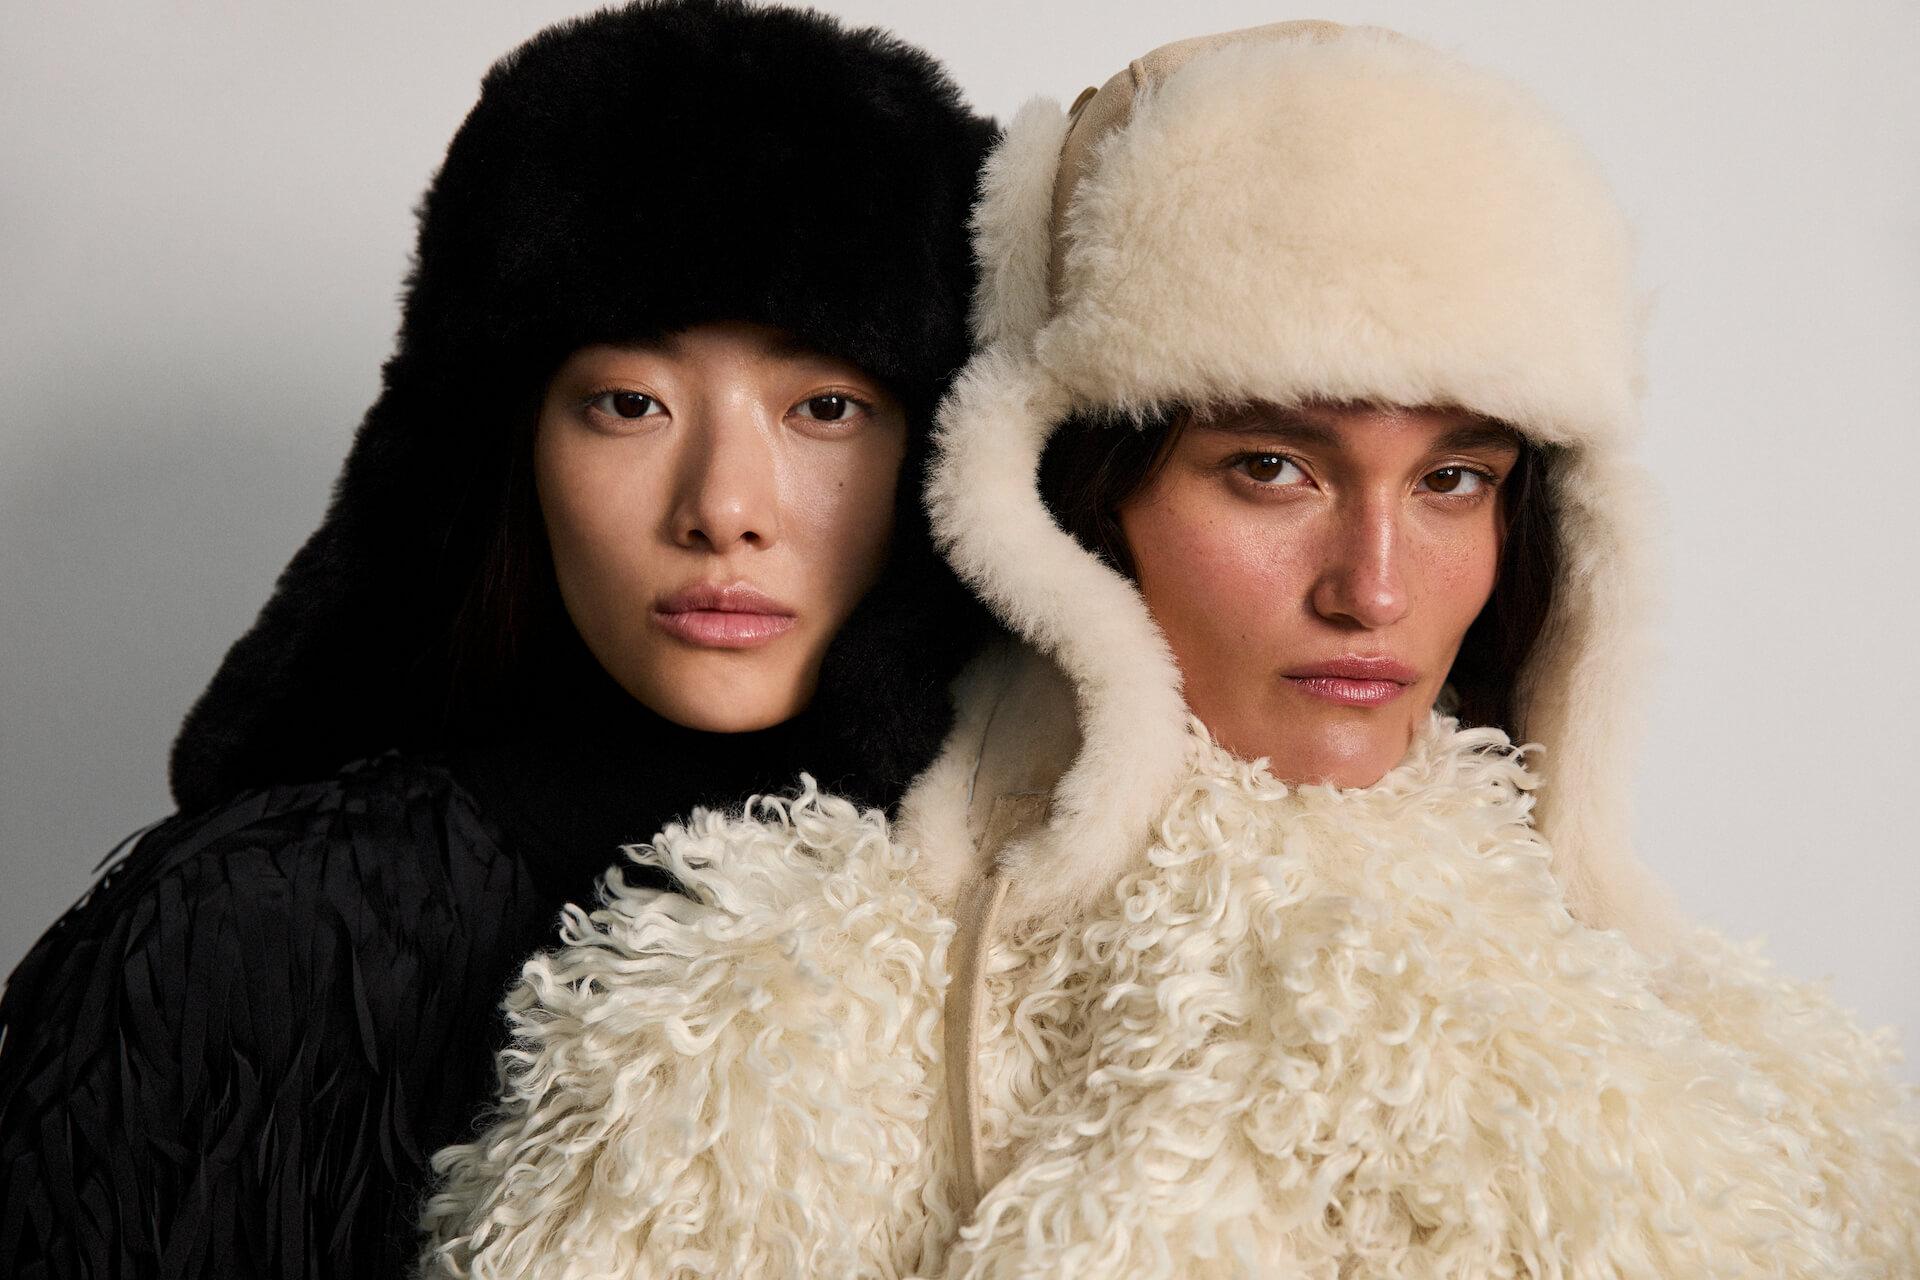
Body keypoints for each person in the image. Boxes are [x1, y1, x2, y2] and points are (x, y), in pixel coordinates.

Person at [419, 21, 1920, 1278]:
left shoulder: (1735, 1071)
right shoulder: (753, 1035)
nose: (1374, 587)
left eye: (1454, 478)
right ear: (1071, 502)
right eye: (1272, 467)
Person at [0, 1, 995, 1274]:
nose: (724, 507)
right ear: (512, 441)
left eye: (827, 406)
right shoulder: (267, 938)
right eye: (628, 402)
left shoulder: (1049, 925)